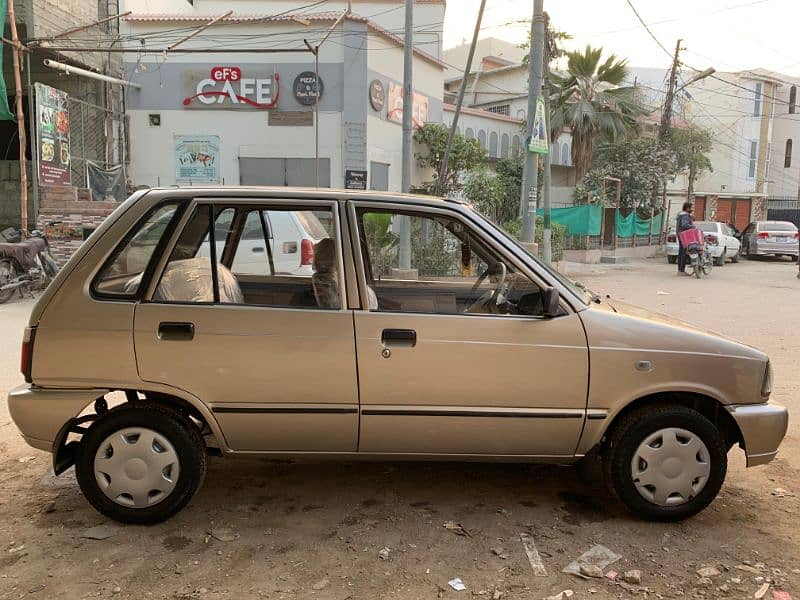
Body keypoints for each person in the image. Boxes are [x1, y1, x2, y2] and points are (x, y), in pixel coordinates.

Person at [676, 201, 695, 274]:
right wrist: (693, 227)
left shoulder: (680, 215)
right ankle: (681, 270)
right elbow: (685, 225)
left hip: (680, 234)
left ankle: (680, 270)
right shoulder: (685, 215)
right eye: (691, 208)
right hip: (684, 235)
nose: (692, 209)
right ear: (687, 208)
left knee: (681, 252)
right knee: (683, 252)